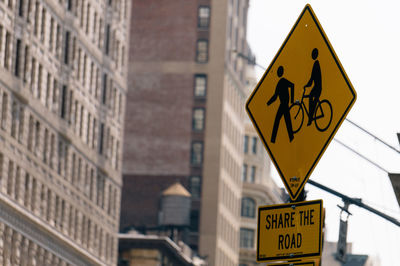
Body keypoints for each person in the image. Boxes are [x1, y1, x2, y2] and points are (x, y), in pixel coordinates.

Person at [267, 66, 294, 143]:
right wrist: (268, 103)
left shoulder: (283, 81)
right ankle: (291, 137)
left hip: (284, 104)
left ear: (281, 72)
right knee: (287, 121)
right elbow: (275, 96)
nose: (278, 73)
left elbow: (292, 85)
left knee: (279, 120)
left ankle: (273, 139)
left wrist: (292, 100)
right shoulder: (279, 83)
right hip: (283, 104)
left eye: (279, 71)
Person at [304, 48, 322, 126]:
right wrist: (307, 85)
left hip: (318, 88)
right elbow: (312, 79)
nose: (312, 55)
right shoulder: (315, 63)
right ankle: (310, 117)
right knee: (310, 97)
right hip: (316, 87)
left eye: (313, 54)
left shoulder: (316, 64)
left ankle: (310, 119)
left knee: (312, 101)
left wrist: (307, 85)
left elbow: (312, 78)